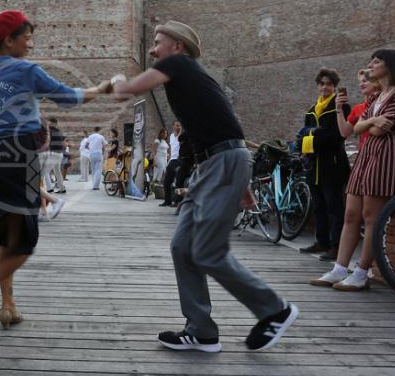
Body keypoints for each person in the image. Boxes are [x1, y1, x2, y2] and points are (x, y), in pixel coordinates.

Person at [109, 20, 297, 352]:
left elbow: (128, 89)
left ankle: (274, 310)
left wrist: (117, 80)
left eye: (157, 42)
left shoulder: (178, 64)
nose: (152, 49)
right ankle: (201, 329)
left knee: (208, 251)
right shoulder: (187, 80)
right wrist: (239, 183)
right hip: (216, 165)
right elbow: (209, 128)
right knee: (182, 246)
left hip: (223, 163)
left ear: (177, 47)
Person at [0, 10, 109, 342]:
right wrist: (103, 87)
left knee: (9, 234)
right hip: (18, 154)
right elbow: (68, 98)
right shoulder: (25, 69)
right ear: (9, 40)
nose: (31, 44)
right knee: (23, 244)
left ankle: (8, 305)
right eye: (27, 37)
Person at [310, 49, 395, 291]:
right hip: (367, 155)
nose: (371, 65)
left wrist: (369, 124)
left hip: (387, 155)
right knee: (351, 215)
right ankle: (339, 268)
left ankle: (361, 273)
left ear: (392, 65)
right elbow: (359, 127)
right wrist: (371, 122)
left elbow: (380, 131)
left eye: (377, 61)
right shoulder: (378, 96)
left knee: (371, 217)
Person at [297, 68, 351, 261]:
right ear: (318, 86)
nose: (325, 87)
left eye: (329, 84)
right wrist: (314, 134)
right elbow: (303, 136)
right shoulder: (311, 110)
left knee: (335, 208)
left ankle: (336, 246)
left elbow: (335, 136)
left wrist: (311, 135)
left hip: (333, 164)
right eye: (322, 84)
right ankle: (322, 241)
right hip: (314, 165)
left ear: (334, 86)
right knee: (318, 205)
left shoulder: (341, 106)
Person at [336, 69, 379, 150]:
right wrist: (339, 109)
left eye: (364, 81)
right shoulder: (358, 108)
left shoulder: (384, 103)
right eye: (360, 82)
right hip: (364, 154)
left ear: (376, 82)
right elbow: (345, 132)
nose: (361, 84)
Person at [160, 121, 182, 207]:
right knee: (166, 182)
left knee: (179, 181)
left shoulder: (182, 136)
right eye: (176, 125)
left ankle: (177, 201)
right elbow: (172, 148)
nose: (178, 127)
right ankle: (167, 201)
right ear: (173, 126)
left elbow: (179, 141)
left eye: (179, 125)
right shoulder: (172, 136)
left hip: (179, 160)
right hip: (172, 160)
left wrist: (180, 131)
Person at [43, 117, 67, 194]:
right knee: (57, 171)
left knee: (45, 171)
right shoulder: (59, 131)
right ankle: (62, 188)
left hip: (54, 154)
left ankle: (49, 189)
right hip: (60, 154)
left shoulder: (50, 129)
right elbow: (64, 143)